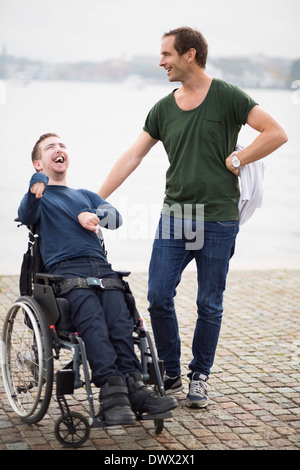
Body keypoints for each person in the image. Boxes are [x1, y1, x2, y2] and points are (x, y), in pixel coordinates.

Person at [97, 27, 288, 408]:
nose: (161, 61)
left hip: (218, 218)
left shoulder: (228, 96)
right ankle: (170, 370)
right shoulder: (163, 108)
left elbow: (276, 132)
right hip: (176, 214)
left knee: (209, 303)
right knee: (157, 295)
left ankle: (199, 375)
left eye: (167, 54)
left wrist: (239, 158)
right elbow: (133, 156)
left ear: (190, 55)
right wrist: (92, 199)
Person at [18, 132, 177, 426]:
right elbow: (26, 213)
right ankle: (111, 393)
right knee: (92, 320)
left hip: (103, 270)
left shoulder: (85, 195)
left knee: (119, 322)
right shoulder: (39, 196)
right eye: (50, 147)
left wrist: (93, 214)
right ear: (39, 163)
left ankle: (134, 387)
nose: (59, 149)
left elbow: (115, 218)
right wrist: (34, 186)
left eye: (62, 145)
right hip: (64, 271)